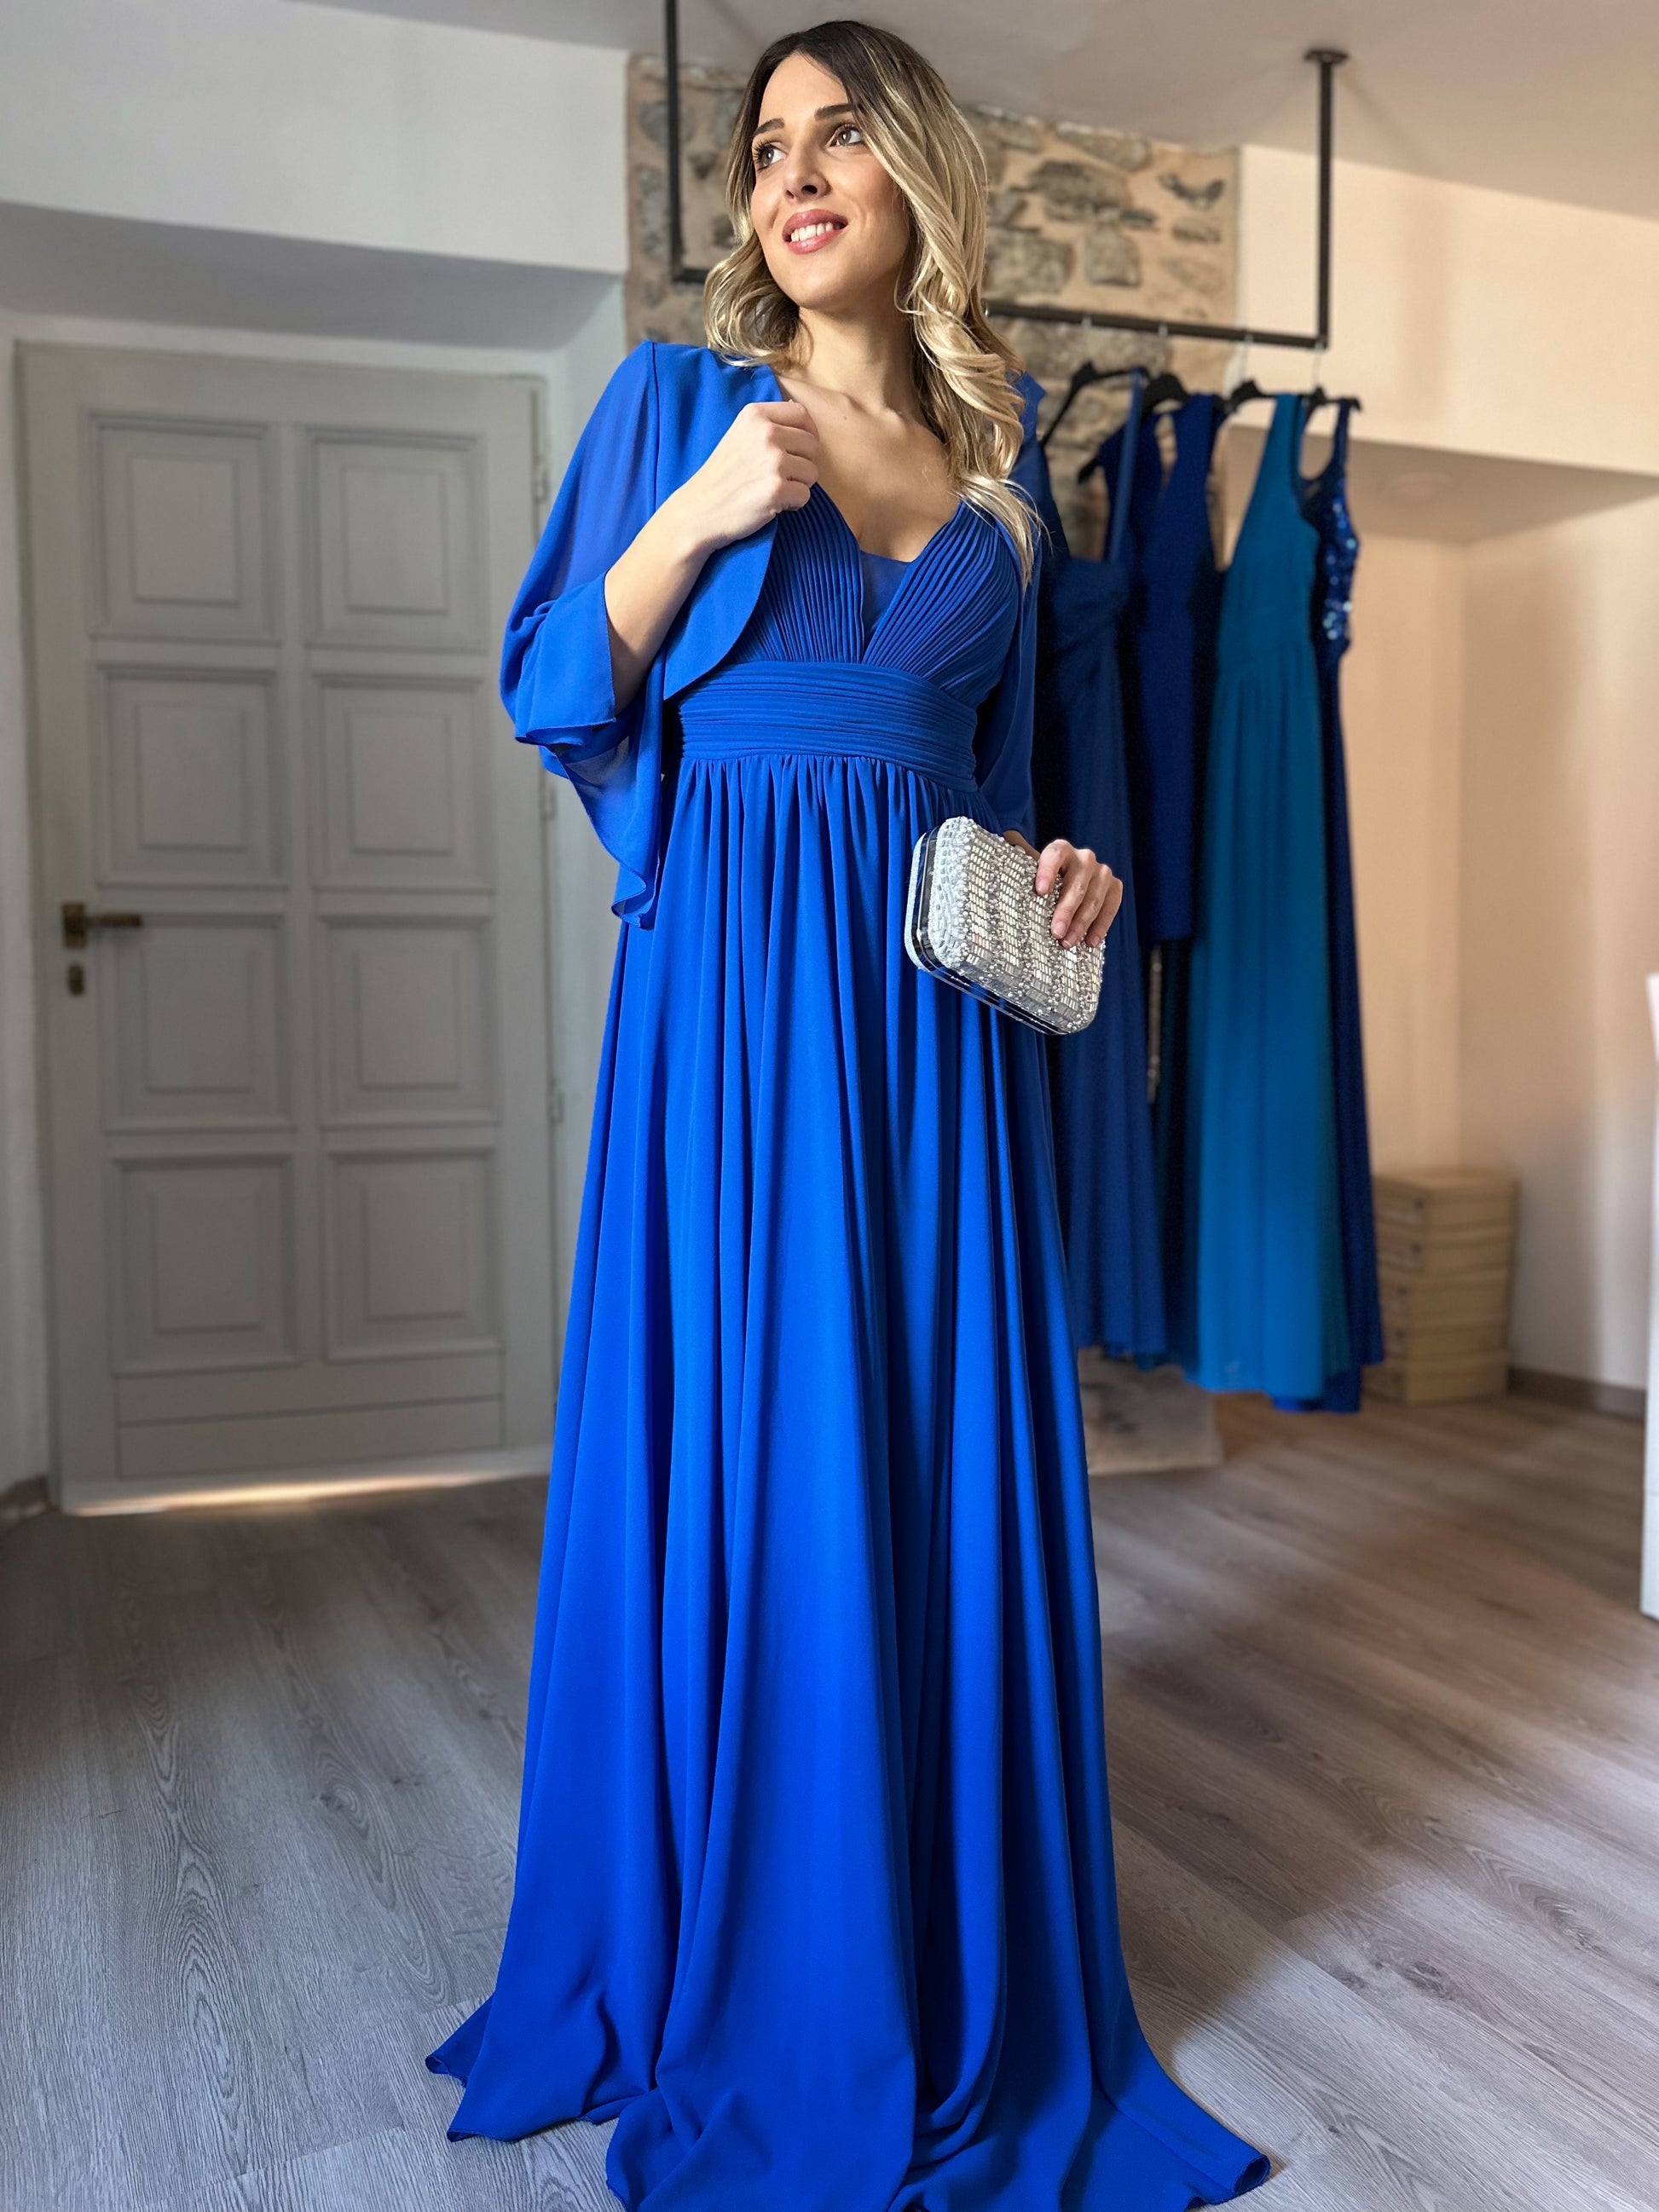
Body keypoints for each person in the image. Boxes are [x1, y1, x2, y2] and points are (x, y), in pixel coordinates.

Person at [426, 20, 1270, 2209]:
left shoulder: (1005, 492)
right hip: (730, 1016)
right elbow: (551, 680)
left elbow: (989, 798)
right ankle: (742, 1942)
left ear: (918, 181)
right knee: (747, 1438)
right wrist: (699, 518)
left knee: (911, 1448)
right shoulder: (680, 406)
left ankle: (921, 1925)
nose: (794, 173)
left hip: (927, 1042)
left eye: (840, 137)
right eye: (768, 143)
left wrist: (1064, 872)